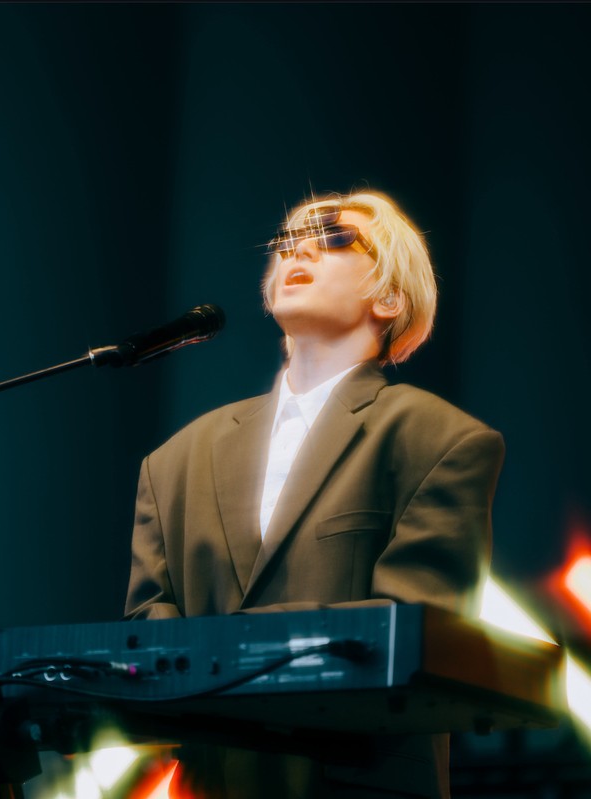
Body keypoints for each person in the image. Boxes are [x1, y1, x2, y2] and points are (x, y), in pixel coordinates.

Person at [124, 190, 505, 798]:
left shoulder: (440, 438)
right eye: (285, 241)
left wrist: (223, 645)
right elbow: (145, 633)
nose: (297, 249)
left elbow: (416, 630)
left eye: (333, 238)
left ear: (389, 298)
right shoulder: (173, 461)